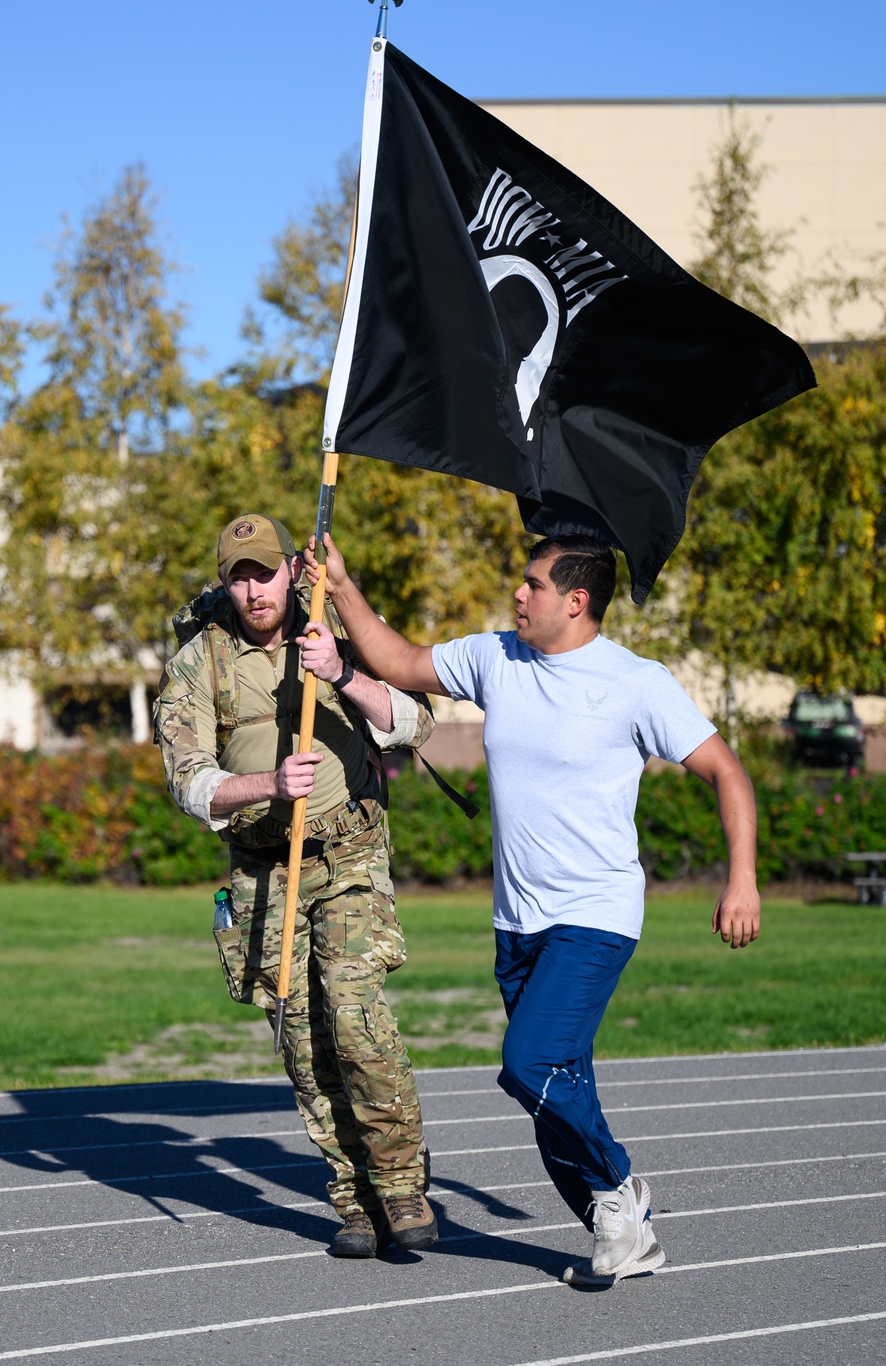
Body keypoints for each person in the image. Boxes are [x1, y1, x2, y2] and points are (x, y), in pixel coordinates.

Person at [303, 530, 760, 1286]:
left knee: (527, 1063)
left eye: (533, 584)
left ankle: (619, 1186)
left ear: (576, 601)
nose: (518, 593)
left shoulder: (636, 682)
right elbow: (398, 661)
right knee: (555, 1088)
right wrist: (343, 584)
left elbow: (726, 770)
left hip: (597, 914)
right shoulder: (495, 658)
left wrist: (741, 878)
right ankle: (618, 1232)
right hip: (516, 922)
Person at [154, 513, 438, 1259]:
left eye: (266, 571)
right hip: (264, 869)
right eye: (239, 575)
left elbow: (415, 723)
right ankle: (353, 1198)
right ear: (225, 581)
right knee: (304, 1042)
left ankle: (401, 1182)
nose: (254, 589)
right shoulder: (199, 663)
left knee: (351, 1009)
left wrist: (341, 672)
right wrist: (267, 783)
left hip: (348, 854)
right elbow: (188, 783)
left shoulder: (331, 631)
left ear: (290, 570)